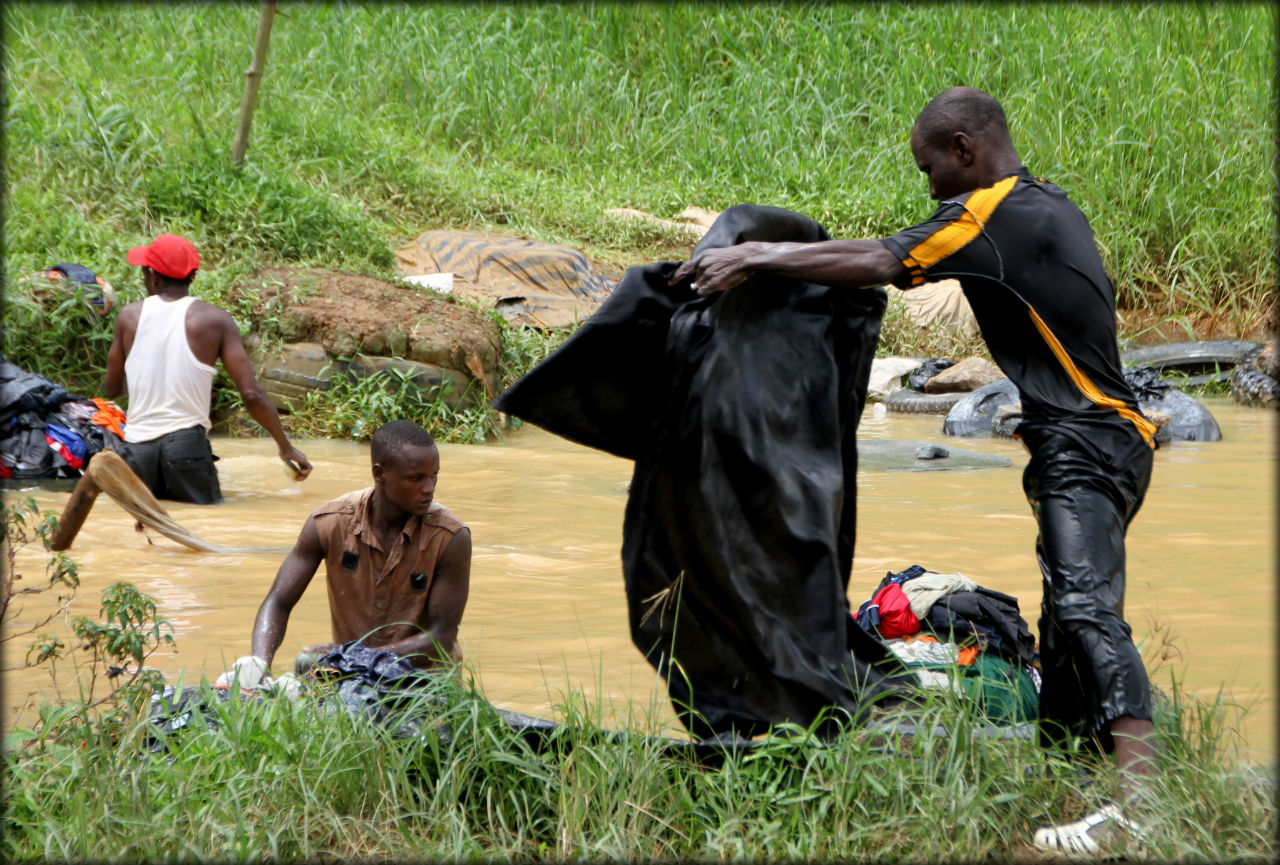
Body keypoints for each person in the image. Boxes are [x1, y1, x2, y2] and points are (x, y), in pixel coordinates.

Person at [672, 87, 1158, 854]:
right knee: (1064, 625)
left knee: (1088, 609)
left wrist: (754, 253)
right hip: (1106, 440)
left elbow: (878, 260)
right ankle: (1080, 785)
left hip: (1086, 443)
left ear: (964, 151)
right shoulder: (1047, 202)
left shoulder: (990, 213)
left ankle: (1143, 803)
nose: (927, 184)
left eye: (928, 167)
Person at [222, 420, 471, 688]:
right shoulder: (330, 522)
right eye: (416, 478)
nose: (429, 488)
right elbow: (279, 601)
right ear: (380, 473)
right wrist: (259, 663)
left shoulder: (450, 537)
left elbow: (440, 637)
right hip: (348, 678)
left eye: (434, 475)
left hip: (423, 684)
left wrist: (353, 658)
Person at [103, 233, 312, 503]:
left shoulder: (128, 317)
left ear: (152, 276)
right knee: (203, 529)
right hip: (186, 449)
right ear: (192, 277)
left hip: (137, 452)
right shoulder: (215, 320)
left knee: (144, 531)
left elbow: (112, 387)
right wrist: (286, 447)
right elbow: (251, 393)